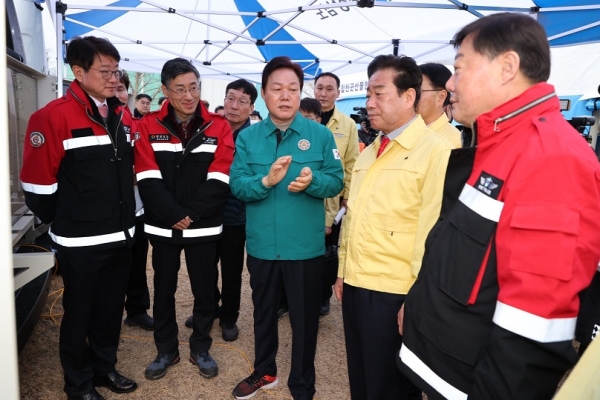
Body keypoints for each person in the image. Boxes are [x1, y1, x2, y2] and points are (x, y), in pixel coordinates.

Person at [397, 13, 600, 399]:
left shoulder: (552, 157)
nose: (451, 84)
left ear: (507, 66)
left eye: (459, 69)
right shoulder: (497, 141)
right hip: (446, 368)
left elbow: (533, 328)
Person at [20, 36, 138, 400]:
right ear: (78, 71)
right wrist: (70, 220)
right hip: (81, 242)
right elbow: (37, 188)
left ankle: (105, 369)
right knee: (79, 315)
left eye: (116, 70)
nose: (113, 78)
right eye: (105, 71)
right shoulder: (52, 117)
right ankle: (79, 384)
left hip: (120, 235)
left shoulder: (120, 113)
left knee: (109, 310)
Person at [334, 54, 453, 400]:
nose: (369, 104)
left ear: (408, 97)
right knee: (363, 378)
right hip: (357, 285)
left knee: (391, 387)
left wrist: (416, 300)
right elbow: (354, 216)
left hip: (395, 293)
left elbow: (434, 233)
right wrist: (343, 270)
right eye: (368, 95)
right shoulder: (371, 150)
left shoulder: (436, 151)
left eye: (378, 94)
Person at [230, 56, 344, 400]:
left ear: (300, 93)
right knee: (263, 313)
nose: (285, 95)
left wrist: (312, 181)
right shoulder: (249, 138)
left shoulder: (320, 135)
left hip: (305, 249)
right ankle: (264, 371)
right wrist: (266, 180)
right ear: (264, 94)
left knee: (305, 321)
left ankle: (302, 383)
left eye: (293, 89)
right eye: (277, 89)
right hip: (264, 246)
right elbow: (238, 186)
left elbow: (335, 182)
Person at [134, 58, 234, 381]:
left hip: (203, 227)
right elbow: (147, 177)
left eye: (194, 87)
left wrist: (188, 214)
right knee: (163, 289)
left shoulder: (219, 126)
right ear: (165, 90)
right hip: (163, 228)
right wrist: (174, 214)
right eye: (180, 89)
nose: (189, 95)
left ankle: (200, 347)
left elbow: (220, 178)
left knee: (206, 292)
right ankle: (166, 349)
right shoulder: (148, 125)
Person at [184, 79, 258, 342]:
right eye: (230, 98)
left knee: (231, 270)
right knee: (204, 268)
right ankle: (208, 308)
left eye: (242, 101)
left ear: (252, 108)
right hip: (205, 213)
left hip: (234, 215)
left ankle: (229, 316)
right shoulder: (209, 129)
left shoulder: (254, 138)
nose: (234, 106)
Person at [313, 71, 360, 316]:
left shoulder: (347, 124)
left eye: (329, 89)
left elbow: (352, 163)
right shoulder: (302, 118)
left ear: (338, 93)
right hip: (304, 197)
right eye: (320, 87)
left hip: (333, 201)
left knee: (329, 251)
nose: (323, 93)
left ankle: (323, 295)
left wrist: (347, 196)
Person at [115, 72, 154, 332]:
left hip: (137, 206)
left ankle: (137, 310)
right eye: (113, 87)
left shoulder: (133, 121)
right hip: (109, 211)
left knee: (138, 260)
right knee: (114, 265)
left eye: (121, 88)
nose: (116, 93)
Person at [417, 63, 461, 148]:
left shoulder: (455, 142)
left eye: (418, 91)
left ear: (441, 97)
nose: (411, 97)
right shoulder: (403, 133)